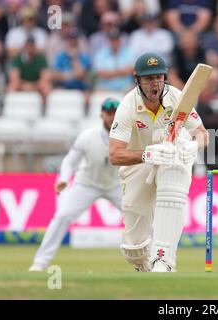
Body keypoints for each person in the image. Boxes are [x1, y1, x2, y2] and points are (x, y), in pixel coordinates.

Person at [109, 52, 208, 272]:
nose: (155, 83)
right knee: (134, 248)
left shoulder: (177, 98)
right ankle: (147, 268)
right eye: (148, 78)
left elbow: (201, 133)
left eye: (159, 77)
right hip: (137, 166)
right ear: (138, 81)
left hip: (170, 158)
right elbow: (115, 155)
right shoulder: (127, 106)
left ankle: (164, 259)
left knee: (175, 161)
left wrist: (193, 145)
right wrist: (146, 154)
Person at [29, 98, 122, 272]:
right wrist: (64, 178)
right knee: (62, 216)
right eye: (109, 113)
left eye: (115, 114)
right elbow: (70, 161)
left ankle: (156, 261)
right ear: (101, 114)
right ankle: (40, 262)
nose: (112, 117)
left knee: (142, 217)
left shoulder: (128, 136)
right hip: (87, 184)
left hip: (117, 184)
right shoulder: (88, 136)